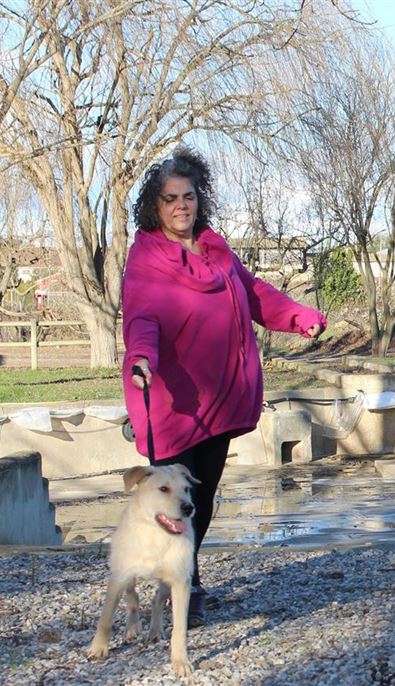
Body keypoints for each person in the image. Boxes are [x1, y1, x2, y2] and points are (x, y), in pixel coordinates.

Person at [122, 146, 326, 627]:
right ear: (155, 205)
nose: (181, 206)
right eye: (170, 198)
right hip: (174, 401)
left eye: (188, 196)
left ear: (199, 200)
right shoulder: (147, 261)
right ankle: (181, 585)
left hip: (218, 398)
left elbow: (254, 293)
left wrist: (299, 316)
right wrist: (140, 361)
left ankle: (185, 574)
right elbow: (142, 321)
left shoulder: (216, 251)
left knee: (203, 497)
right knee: (173, 500)